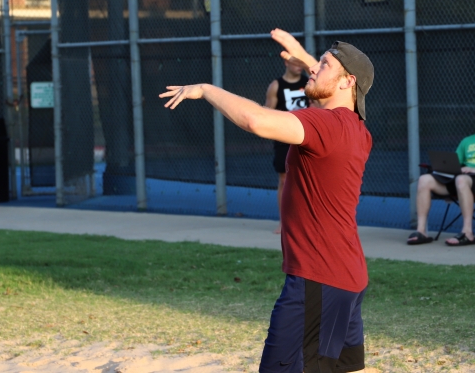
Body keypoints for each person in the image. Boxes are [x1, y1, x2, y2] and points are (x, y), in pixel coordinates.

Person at [160, 29, 374, 372]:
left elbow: (255, 120)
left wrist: (206, 89)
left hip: (318, 279)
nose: (313, 69)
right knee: (330, 367)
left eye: (323, 65)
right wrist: (305, 55)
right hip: (347, 276)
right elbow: (333, 88)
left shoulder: (325, 124)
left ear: (348, 82)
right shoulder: (357, 128)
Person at [407, 99, 475, 246]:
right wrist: (442, 169)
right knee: (424, 179)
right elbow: (455, 164)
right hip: (462, 180)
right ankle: (421, 231)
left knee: (461, 179)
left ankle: (468, 233)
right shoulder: (467, 141)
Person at [264, 59, 309, 234]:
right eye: (295, 63)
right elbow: (267, 113)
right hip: (284, 137)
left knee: (308, 180)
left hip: (306, 136)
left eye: (301, 63)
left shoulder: (309, 83)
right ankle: (284, 221)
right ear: (286, 63)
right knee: (284, 179)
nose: (299, 66)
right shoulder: (276, 86)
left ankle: (307, 222)